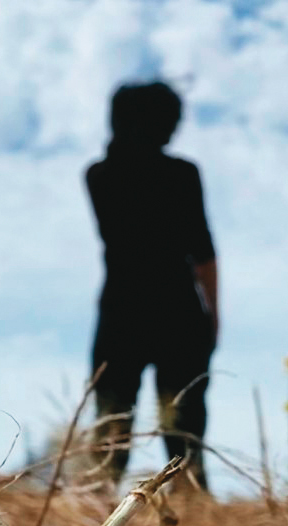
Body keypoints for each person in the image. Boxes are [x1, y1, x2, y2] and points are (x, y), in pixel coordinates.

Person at [84, 80, 218, 493]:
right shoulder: (182, 174)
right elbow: (203, 251)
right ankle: (190, 496)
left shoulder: (98, 175)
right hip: (177, 307)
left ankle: (98, 504)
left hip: (121, 307)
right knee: (182, 420)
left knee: (112, 416)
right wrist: (213, 314)